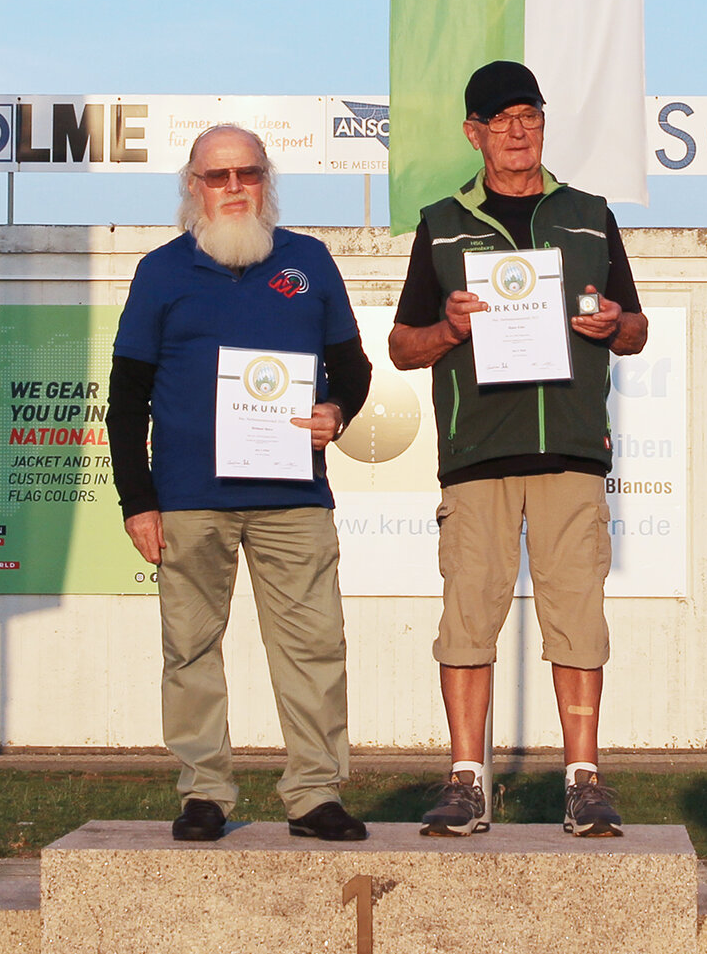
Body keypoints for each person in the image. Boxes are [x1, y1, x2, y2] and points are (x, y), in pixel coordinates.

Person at [390, 60, 646, 838]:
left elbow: (635, 328)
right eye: (500, 121)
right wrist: (449, 329)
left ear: (542, 123)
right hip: (478, 451)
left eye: (528, 116)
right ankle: (467, 780)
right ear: (474, 134)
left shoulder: (589, 215)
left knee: (579, 617)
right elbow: (402, 345)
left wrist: (613, 323)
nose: (517, 132)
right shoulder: (441, 224)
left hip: (570, 448)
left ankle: (583, 779)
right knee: (468, 618)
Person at [107, 124, 373, 842]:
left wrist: (336, 412)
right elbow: (127, 398)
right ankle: (204, 791)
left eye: (247, 174)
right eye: (217, 176)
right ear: (193, 187)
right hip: (189, 501)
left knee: (315, 647)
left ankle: (314, 792)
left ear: (266, 181)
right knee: (190, 649)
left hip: (293, 499)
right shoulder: (161, 271)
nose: (233, 188)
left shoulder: (308, 261)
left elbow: (352, 369)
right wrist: (138, 502)